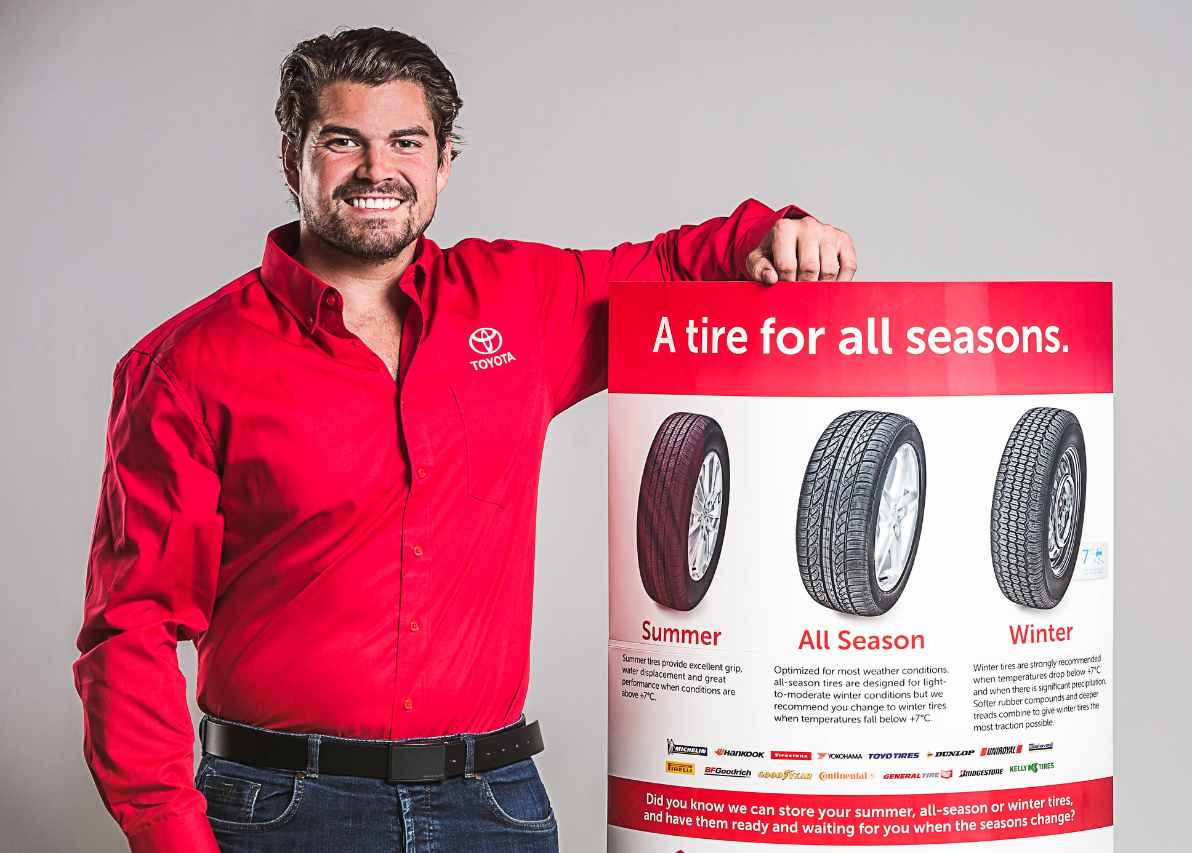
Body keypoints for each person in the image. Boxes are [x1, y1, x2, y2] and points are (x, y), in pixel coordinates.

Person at [72, 26, 856, 853]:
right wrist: (171, 837)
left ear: (444, 161)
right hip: (282, 810)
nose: (378, 170)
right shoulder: (188, 365)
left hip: (493, 806)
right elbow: (131, 630)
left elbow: (678, 266)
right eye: (343, 141)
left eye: (405, 142)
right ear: (291, 158)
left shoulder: (521, 301)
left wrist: (777, 232)